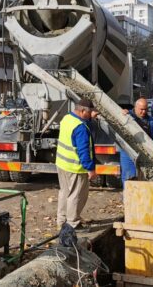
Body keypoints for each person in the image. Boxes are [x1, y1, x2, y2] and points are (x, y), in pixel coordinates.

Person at [55, 98, 97, 231]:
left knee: (65, 193)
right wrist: (90, 169)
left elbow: (78, 124)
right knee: (76, 195)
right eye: (89, 112)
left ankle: (62, 221)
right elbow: (83, 150)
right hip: (75, 168)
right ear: (83, 111)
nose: (91, 114)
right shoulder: (81, 128)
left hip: (62, 164)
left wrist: (90, 119)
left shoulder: (67, 118)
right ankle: (73, 223)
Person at [120, 98, 153, 184]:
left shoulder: (151, 122)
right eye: (141, 109)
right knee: (129, 177)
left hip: (144, 153)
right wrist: (123, 112)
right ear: (135, 107)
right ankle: (128, 196)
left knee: (144, 179)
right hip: (128, 152)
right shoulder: (127, 116)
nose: (144, 112)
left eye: (146, 109)